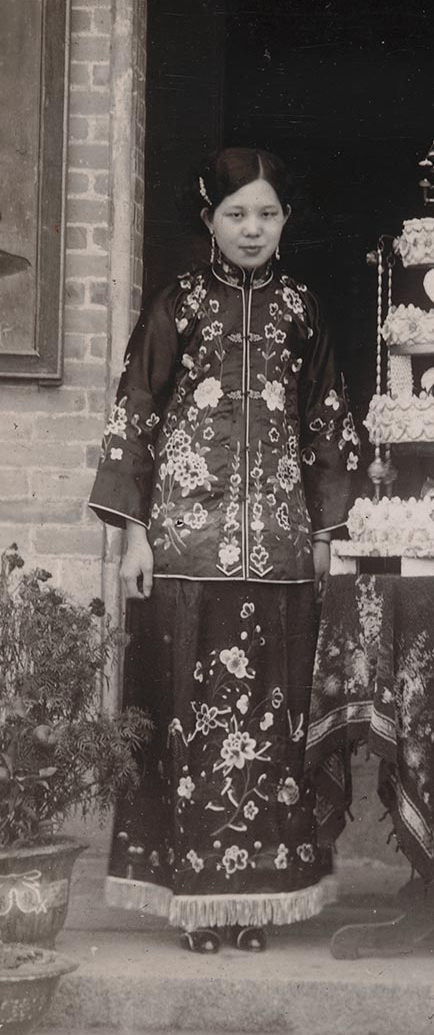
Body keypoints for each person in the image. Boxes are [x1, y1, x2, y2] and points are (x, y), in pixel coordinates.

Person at [89, 148, 359, 954]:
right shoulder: (178, 304)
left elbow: (328, 424)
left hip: (278, 556)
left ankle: (262, 900)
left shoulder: (303, 310)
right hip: (182, 554)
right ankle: (193, 903)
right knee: (189, 723)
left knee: (271, 729)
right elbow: (135, 412)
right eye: (236, 213)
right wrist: (134, 534)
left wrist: (322, 535)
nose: (252, 228)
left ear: (286, 220)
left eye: (267, 213)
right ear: (208, 217)